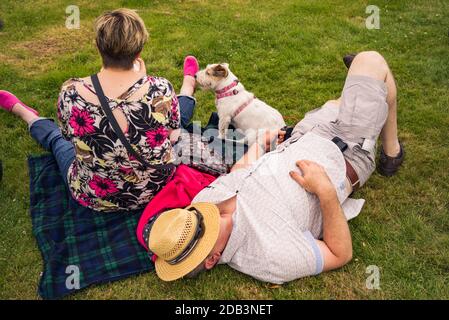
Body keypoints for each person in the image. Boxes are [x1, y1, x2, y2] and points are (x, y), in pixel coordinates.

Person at [144, 51, 405, 283]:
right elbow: (340, 254)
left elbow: (237, 175)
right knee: (371, 62)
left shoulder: (203, 203)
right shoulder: (270, 258)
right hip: (343, 152)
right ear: (212, 259)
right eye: (202, 226)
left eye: (192, 215)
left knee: (339, 102)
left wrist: (262, 143)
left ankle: (382, 132)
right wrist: (325, 191)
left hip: (299, 136)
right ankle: (389, 145)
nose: (204, 213)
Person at [0, 8, 201, 212]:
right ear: (139, 52)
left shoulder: (71, 92)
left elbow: (68, 137)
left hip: (95, 194)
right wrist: (144, 85)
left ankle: (26, 114)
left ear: (98, 47)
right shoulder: (160, 88)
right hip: (155, 188)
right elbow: (172, 131)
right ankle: (188, 84)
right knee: (176, 119)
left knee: (56, 140)